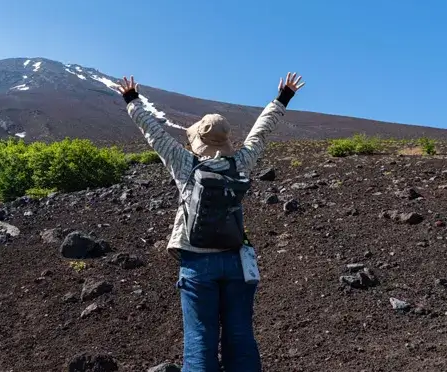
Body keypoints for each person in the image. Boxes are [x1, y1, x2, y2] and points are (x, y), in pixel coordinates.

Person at [118, 72, 306, 372]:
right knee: (241, 336)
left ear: (198, 140)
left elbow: (153, 133)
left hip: (195, 262)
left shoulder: (184, 164)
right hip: (235, 260)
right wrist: (283, 97)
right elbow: (261, 131)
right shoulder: (241, 162)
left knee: (200, 338)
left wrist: (132, 100)